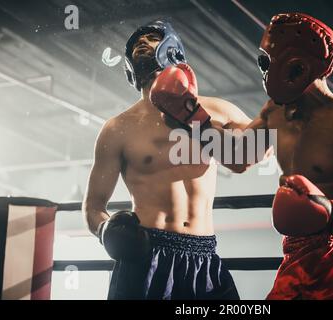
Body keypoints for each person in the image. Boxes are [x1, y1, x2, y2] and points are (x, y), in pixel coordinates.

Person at [151, 13, 333, 300]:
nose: (263, 70)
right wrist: (192, 118)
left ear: (296, 68)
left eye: (266, 62)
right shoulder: (275, 112)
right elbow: (238, 157)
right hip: (293, 253)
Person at [82, 20, 252, 300]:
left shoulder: (217, 110)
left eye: (151, 38)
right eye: (137, 42)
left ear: (173, 51)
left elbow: (259, 150)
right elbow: (93, 206)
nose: (143, 44)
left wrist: (199, 123)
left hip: (204, 257)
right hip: (147, 254)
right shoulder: (117, 128)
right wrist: (105, 230)